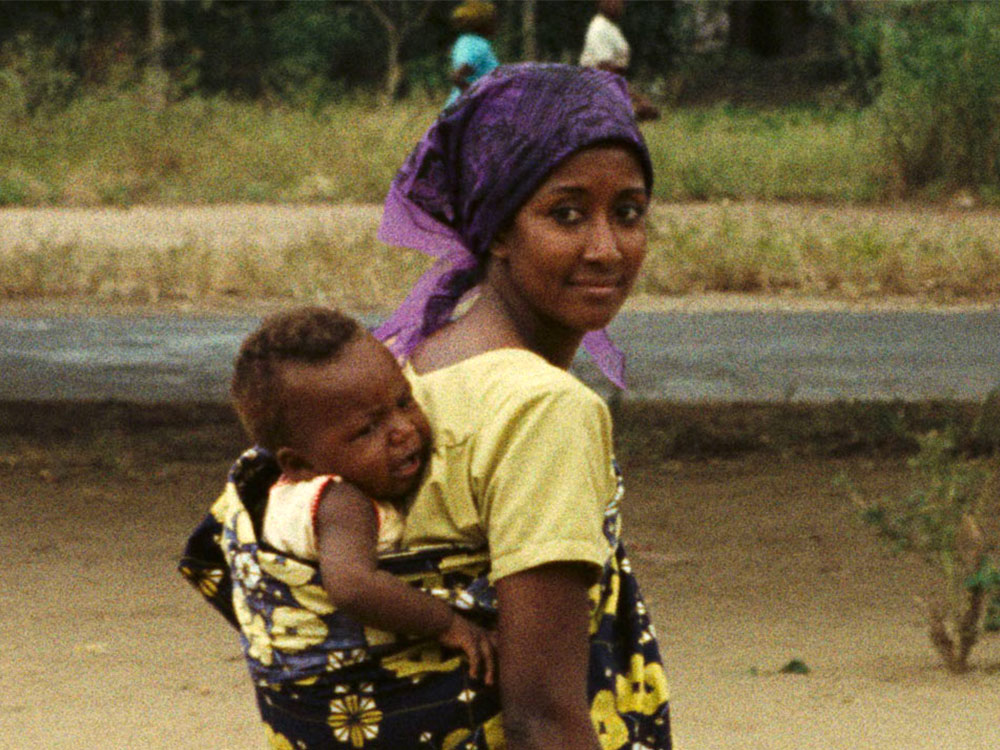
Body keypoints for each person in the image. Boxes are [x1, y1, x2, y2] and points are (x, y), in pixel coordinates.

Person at [181, 63, 670, 750]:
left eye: (629, 212)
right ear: (497, 227)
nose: (606, 247)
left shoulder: (398, 369)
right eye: (565, 213)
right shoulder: (544, 410)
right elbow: (541, 717)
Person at [227, 305, 496, 684]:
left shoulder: (299, 493)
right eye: (367, 429)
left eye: (404, 402)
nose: (402, 429)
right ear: (301, 463)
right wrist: (448, 622)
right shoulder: (340, 502)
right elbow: (353, 588)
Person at [579, 0, 660, 121]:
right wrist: (637, 100)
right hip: (597, 95)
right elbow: (606, 73)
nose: (617, 4)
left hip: (609, 93)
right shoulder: (599, 29)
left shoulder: (610, 27)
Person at [444, 0, 499, 108]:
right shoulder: (477, 45)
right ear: (483, 24)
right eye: (493, 22)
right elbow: (457, 77)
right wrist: (476, 99)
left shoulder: (464, 41)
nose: (496, 26)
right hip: (467, 112)